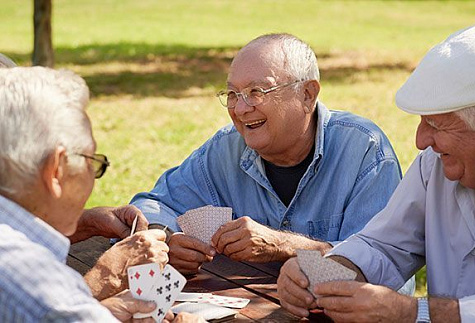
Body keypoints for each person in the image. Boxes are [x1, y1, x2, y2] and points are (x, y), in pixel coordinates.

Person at [131, 33, 403, 276]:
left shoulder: (365, 151)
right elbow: (152, 205)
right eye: (233, 94)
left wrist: (284, 246)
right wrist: (167, 240)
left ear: (307, 95)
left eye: (256, 92)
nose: (239, 109)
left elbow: (381, 270)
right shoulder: (225, 149)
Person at [277, 24, 475, 322]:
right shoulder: (434, 163)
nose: (420, 140)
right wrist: (323, 270)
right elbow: (384, 244)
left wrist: (413, 312)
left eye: (438, 125)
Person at [0, 66, 198, 322]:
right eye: (91, 161)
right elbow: (56, 307)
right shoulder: (43, 288)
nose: (93, 173)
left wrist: (101, 311)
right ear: (56, 169)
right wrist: (108, 275)